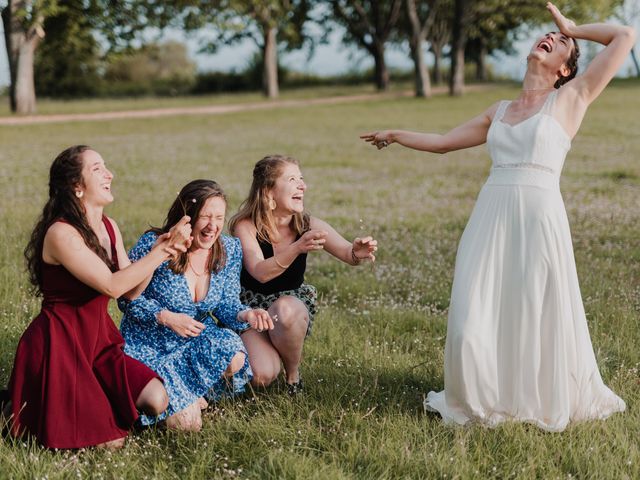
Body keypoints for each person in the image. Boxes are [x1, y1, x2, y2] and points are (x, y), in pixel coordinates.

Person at [361, 3, 633, 431]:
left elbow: (624, 38)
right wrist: (395, 134)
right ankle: (480, 396)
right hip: (490, 216)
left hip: (539, 219)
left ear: (565, 69)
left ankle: (530, 396)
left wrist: (573, 27)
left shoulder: (571, 98)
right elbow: (444, 142)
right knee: (474, 314)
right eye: (548, 35)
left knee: (533, 310)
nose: (550, 39)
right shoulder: (499, 110)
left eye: (560, 43)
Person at [4, 145, 191, 449]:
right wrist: (162, 252)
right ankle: (21, 409)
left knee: (157, 399)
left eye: (106, 166)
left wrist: (163, 248)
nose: (109, 174)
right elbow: (111, 286)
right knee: (112, 442)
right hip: (61, 344)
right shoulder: (61, 233)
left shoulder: (109, 226)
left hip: (99, 341)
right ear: (77, 187)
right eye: (97, 169)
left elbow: (130, 292)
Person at [119, 179, 273, 431]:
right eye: (205, 217)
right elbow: (126, 300)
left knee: (233, 352)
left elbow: (226, 304)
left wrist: (247, 313)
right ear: (187, 217)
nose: (213, 226)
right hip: (151, 344)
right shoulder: (156, 243)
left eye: (219, 217)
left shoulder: (229, 249)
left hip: (193, 339)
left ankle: (191, 393)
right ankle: (171, 400)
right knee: (188, 426)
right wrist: (165, 316)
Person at [229, 155, 378, 394]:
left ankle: (293, 376)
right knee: (261, 376)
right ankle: (272, 349)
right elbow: (260, 272)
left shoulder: (308, 224)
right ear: (269, 191)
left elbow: (348, 254)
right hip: (252, 311)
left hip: (289, 310)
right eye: (292, 179)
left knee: (285, 310)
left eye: (301, 179)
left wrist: (358, 252)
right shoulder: (245, 226)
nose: (303, 185)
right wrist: (297, 247)